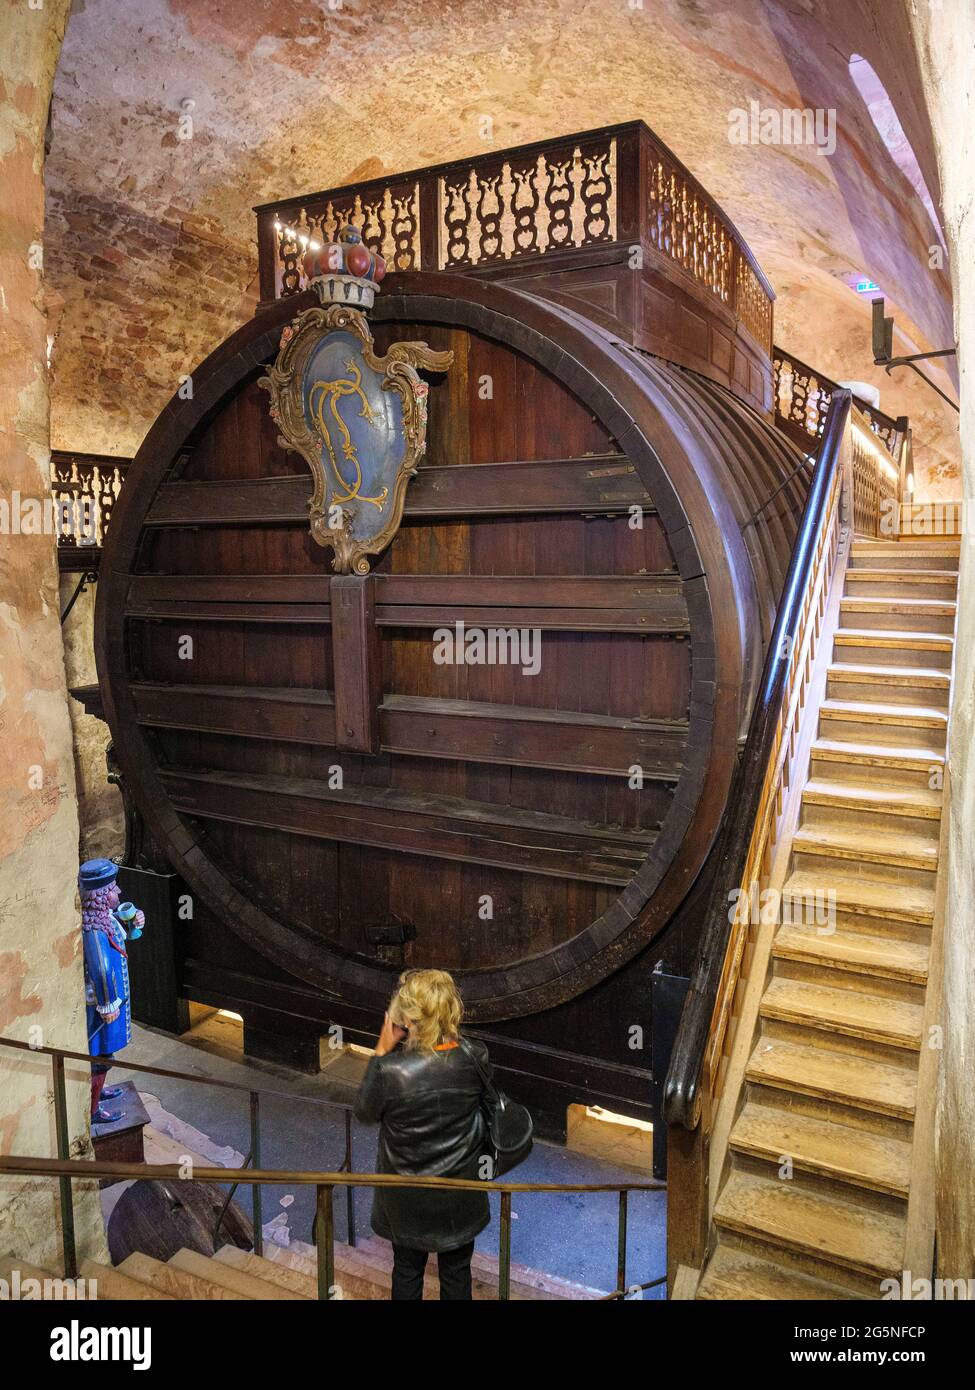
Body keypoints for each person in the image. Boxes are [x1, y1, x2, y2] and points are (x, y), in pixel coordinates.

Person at [353, 968, 491, 1300]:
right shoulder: (475, 1056)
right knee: (457, 1274)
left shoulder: (392, 1071)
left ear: (409, 1017)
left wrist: (381, 1052)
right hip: (459, 1192)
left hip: (405, 1197)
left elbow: (364, 1112)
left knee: (407, 1270)